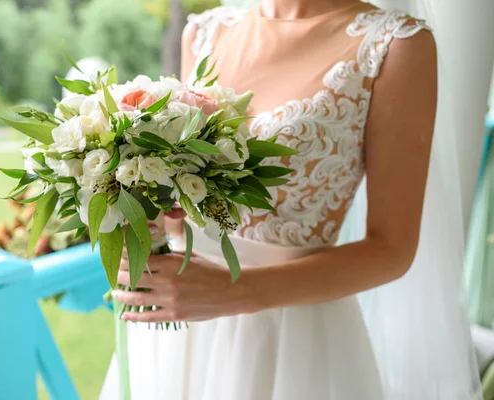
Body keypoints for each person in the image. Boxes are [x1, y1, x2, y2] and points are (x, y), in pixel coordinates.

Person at [100, 1, 480, 398]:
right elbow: (184, 209)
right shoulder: (204, 31)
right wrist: (143, 215)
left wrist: (235, 290)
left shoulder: (396, 45)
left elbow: (392, 249)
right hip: (179, 323)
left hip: (293, 339)